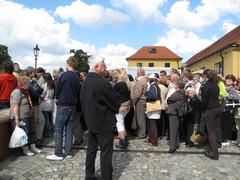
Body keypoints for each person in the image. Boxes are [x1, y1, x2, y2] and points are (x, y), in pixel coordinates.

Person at [80, 56, 120, 180]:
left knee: (91, 150)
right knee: (106, 153)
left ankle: (89, 175)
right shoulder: (102, 83)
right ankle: (106, 177)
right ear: (97, 67)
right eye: (103, 64)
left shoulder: (86, 81)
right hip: (104, 123)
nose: (106, 67)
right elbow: (115, 103)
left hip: (91, 122)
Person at [47, 57, 81, 161]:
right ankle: (69, 152)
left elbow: (57, 89)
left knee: (59, 129)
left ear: (68, 64)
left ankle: (58, 153)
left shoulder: (63, 75)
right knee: (69, 129)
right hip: (73, 105)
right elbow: (78, 90)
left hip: (63, 104)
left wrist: (57, 98)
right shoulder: (77, 77)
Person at [9, 76, 41, 156]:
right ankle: (25, 149)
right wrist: (16, 119)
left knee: (32, 131)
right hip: (22, 116)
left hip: (28, 114)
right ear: (22, 84)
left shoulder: (25, 91)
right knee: (25, 132)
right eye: (27, 84)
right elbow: (15, 106)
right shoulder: (16, 92)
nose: (28, 86)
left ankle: (33, 147)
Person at [201, 69, 221, 160]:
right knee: (215, 130)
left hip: (210, 109)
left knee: (211, 131)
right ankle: (213, 150)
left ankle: (214, 153)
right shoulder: (215, 84)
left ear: (205, 76)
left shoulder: (207, 85)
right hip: (217, 108)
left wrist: (203, 111)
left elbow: (204, 100)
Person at [112, 69, 131, 149]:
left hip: (121, 107)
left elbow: (111, 94)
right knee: (121, 123)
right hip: (126, 106)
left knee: (119, 124)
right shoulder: (125, 83)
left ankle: (123, 142)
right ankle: (124, 140)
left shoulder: (119, 84)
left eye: (114, 74)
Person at [166, 81, 186, 153]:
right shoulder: (182, 92)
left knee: (173, 129)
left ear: (178, 86)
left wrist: (170, 100)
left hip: (174, 111)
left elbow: (169, 99)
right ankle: (176, 143)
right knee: (175, 128)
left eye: (175, 86)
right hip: (177, 111)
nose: (174, 87)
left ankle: (172, 146)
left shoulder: (178, 93)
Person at [144, 73, 161, 146]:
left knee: (152, 125)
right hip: (155, 107)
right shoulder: (156, 86)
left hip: (153, 107)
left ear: (151, 79)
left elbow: (153, 97)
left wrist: (146, 93)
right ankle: (151, 139)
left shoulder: (152, 86)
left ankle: (154, 141)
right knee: (151, 124)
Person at [131, 68, 147, 138]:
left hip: (140, 101)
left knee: (140, 119)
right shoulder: (143, 80)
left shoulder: (141, 81)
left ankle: (142, 133)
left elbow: (137, 94)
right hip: (141, 101)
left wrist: (134, 101)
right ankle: (141, 132)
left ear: (138, 73)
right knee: (140, 118)